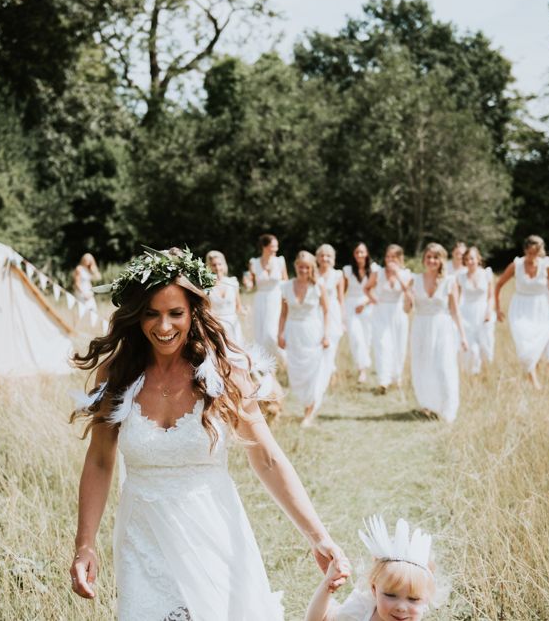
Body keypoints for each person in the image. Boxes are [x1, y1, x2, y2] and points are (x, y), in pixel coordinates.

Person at [69, 247, 348, 620]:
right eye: (151, 314)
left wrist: (319, 536)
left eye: (175, 313)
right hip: (142, 540)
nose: (163, 326)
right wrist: (84, 545)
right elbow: (101, 461)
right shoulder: (117, 375)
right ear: (136, 316)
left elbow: (266, 457)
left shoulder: (224, 375)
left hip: (213, 531)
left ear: (195, 312)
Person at [305, 515, 441, 621]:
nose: (401, 607)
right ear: (374, 590)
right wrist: (326, 586)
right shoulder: (361, 612)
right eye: (390, 595)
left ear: (426, 599)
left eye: (413, 599)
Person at [495, 235, 549, 389]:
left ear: (540, 252)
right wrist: (497, 309)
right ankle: (534, 382)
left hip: (540, 308)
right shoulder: (516, 265)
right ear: (525, 250)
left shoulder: (546, 266)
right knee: (524, 344)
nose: (532, 256)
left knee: (538, 342)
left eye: (535, 253)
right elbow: (498, 284)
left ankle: (531, 375)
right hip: (519, 308)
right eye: (529, 252)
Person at [410, 243, 468, 422]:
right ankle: (428, 405)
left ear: (442, 260)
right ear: (423, 259)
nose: (431, 261)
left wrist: (463, 336)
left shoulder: (450, 281)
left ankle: (448, 408)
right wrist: (406, 295)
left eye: (435, 257)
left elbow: (455, 310)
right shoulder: (415, 279)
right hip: (420, 326)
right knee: (422, 365)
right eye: (428, 257)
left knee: (444, 366)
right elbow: (407, 308)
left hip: (442, 327)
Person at [278, 251, 331, 427]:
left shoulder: (318, 286)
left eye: (307, 267)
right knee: (297, 374)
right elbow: (283, 313)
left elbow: (326, 311)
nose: (303, 270)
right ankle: (306, 405)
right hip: (293, 333)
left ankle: (309, 412)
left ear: (311, 268)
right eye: (300, 266)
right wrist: (280, 333)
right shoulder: (286, 286)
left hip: (312, 332)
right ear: (295, 266)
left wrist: (326, 334)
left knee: (312, 373)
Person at [364, 245, 412, 393]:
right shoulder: (377, 273)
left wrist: (398, 275)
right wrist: (374, 300)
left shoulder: (406, 274)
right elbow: (366, 288)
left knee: (399, 346)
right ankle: (383, 381)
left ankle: (396, 378)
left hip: (398, 312)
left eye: (393, 257)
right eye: (387, 257)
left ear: (399, 259)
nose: (390, 260)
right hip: (381, 311)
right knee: (382, 345)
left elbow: (409, 295)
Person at [342, 243, 379, 384]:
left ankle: (366, 365)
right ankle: (361, 370)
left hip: (368, 305)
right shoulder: (348, 270)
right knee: (356, 338)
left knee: (367, 337)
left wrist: (365, 303)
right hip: (351, 305)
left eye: (362, 252)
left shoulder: (374, 269)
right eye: (357, 252)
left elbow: (375, 290)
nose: (359, 255)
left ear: (367, 253)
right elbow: (343, 291)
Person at [457, 246, 496, 375]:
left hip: (483, 311)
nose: (469, 262)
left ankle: (486, 373)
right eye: (466, 259)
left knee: (486, 346)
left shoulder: (486, 274)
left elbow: (491, 296)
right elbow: (456, 298)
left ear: (478, 259)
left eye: (472, 259)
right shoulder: (461, 276)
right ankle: (472, 374)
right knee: (471, 348)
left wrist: (489, 312)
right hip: (466, 313)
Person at [249, 234, 288, 359]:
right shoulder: (254, 262)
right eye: (272, 246)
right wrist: (248, 283)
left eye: (276, 246)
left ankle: (285, 358)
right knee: (260, 334)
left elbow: (286, 281)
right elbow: (251, 283)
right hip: (260, 300)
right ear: (264, 247)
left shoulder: (280, 261)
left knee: (271, 333)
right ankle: (265, 364)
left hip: (276, 298)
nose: (275, 249)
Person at [316, 244, 345, 384]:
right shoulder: (313, 273)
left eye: (328, 255)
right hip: (317, 311)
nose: (324, 258)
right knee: (318, 342)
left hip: (333, 312)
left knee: (332, 341)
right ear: (317, 257)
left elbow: (341, 299)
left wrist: (343, 320)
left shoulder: (338, 275)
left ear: (332, 258)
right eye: (322, 255)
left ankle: (330, 371)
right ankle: (323, 373)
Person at [206, 250, 245, 347]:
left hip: (233, 325)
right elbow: (206, 310)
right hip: (217, 327)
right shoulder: (206, 287)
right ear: (209, 267)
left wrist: (245, 311)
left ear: (224, 265)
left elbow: (239, 307)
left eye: (220, 264)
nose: (218, 268)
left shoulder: (233, 282)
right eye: (214, 265)